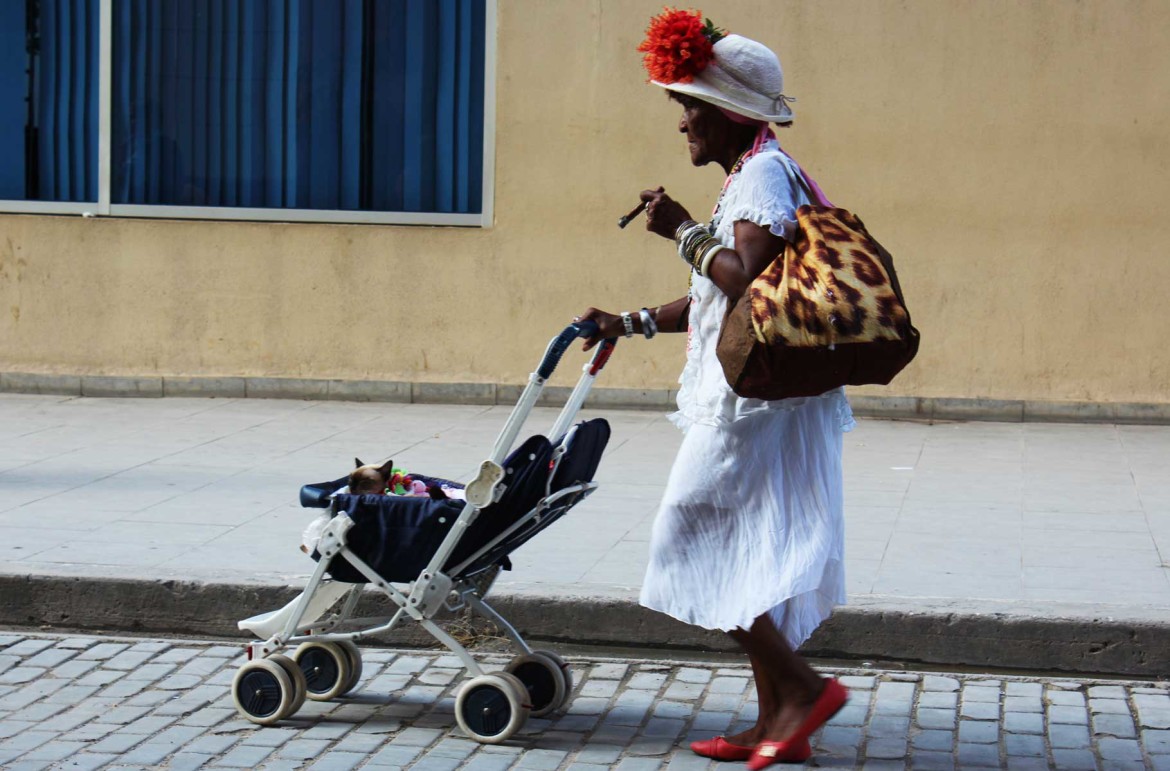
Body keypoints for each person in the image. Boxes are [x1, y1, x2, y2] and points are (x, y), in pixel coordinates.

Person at [575, 10, 853, 769]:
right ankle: (776, 722)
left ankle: (800, 689)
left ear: (730, 113)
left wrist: (682, 230)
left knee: (688, 534)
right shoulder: (753, 173)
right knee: (742, 551)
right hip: (752, 398)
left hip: (752, 408)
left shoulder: (762, 173)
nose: (683, 125)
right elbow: (715, 302)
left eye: (690, 107)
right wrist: (627, 320)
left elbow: (746, 278)